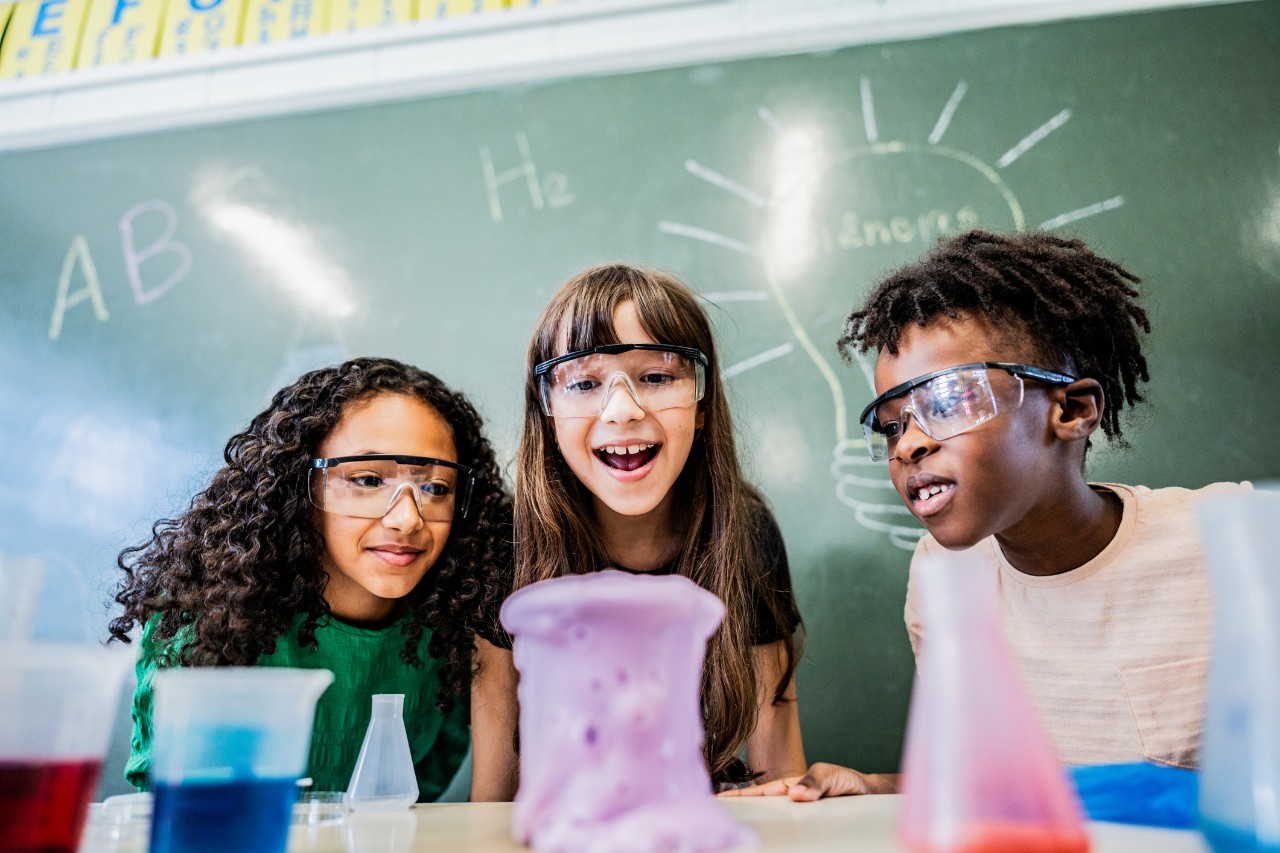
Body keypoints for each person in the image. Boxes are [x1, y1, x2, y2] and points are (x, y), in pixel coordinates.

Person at [724, 229, 1249, 801]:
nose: (908, 446)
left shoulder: (1234, 538)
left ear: (1071, 410)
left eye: (947, 401)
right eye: (892, 425)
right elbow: (987, 790)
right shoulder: (943, 575)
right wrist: (873, 787)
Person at [469, 264, 807, 799]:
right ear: (548, 412)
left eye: (656, 376)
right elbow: (493, 802)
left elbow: (780, 776)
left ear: (701, 404)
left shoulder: (744, 531)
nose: (623, 410)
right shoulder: (509, 542)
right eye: (583, 382)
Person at [108, 357, 513, 801]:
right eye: (367, 479)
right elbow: (185, 809)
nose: (406, 519)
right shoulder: (212, 616)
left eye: (436, 488)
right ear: (299, 486)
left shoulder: (459, 627)